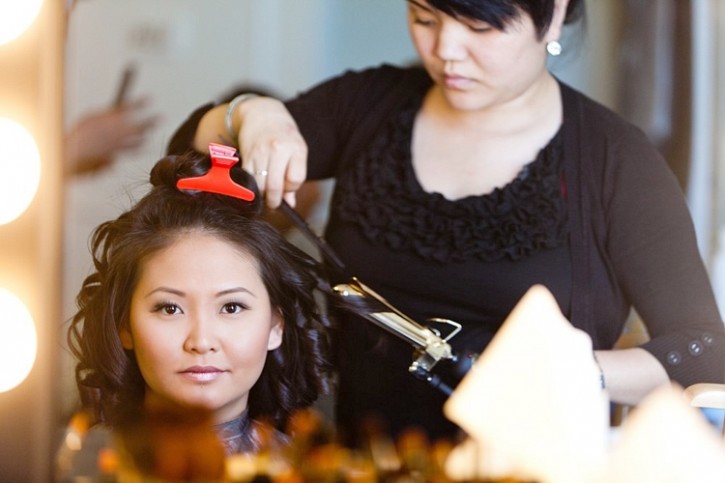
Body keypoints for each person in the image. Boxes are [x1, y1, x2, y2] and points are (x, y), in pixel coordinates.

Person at [169, 0, 725, 446]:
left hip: (528, 463)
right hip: (361, 457)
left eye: (480, 28)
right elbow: (187, 157)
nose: (446, 52)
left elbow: (704, 350)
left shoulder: (613, 160)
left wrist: (571, 371)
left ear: (552, 13)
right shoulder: (369, 106)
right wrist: (247, 111)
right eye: (424, 18)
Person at [63, 146, 331, 478]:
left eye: (232, 307)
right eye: (170, 308)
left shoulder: (307, 471)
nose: (201, 341)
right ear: (124, 325)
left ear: (276, 325)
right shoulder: (78, 463)